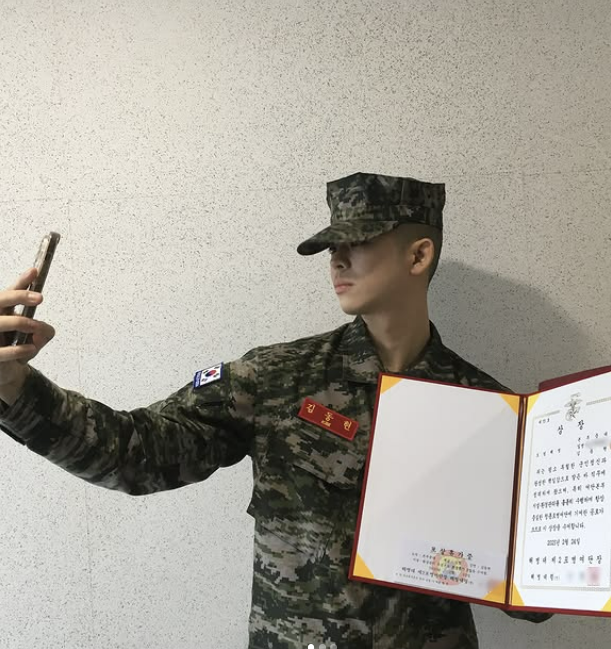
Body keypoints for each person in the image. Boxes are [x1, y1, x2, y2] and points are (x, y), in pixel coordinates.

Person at [0, 172, 549, 648]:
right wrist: (15, 387)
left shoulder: (491, 412)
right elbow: (134, 453)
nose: (337, 259)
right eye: (331, 246)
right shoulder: (277, 378)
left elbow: (529, 592)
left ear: (418, 255)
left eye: (358, 241)